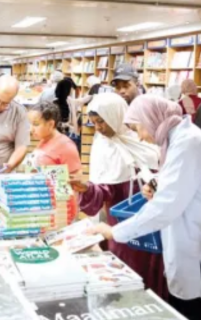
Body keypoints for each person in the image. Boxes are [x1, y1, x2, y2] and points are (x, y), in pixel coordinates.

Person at [87, 94, 201, 320]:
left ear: (151, 119)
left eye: (139, 128)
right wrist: (157, 186)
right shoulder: (178, 139)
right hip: (195, 243)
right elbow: (181, 186)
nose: (141, 137)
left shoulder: (188, 143)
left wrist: (115, 232)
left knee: (198, 310)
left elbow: (166, 207)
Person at [69, 93, 167, 298]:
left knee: (151, 265)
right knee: (125, 270)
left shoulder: (143, 140)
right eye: (94, 122)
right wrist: (86, 189)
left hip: (152, 217)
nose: (98, 128)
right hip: (118, 222)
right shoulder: (102, 146)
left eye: (101, 122)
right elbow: (105, 190)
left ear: (116, 116)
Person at [27, 101, 82, 174]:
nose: (31, 129)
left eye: (36, 124)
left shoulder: (66, 146)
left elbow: (76, 179)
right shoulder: (44, 140)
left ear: (50, 124)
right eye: (30, 124)